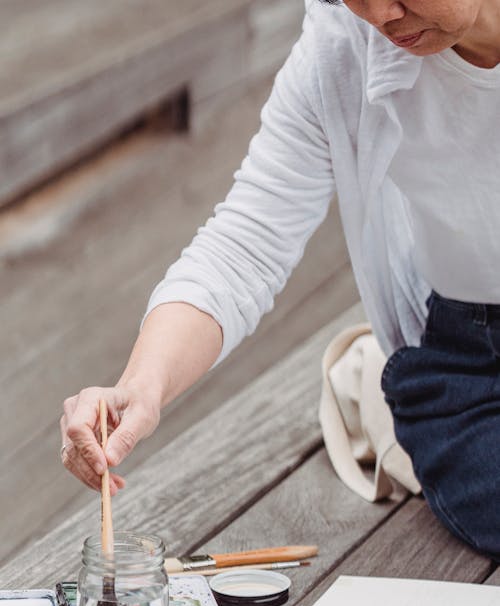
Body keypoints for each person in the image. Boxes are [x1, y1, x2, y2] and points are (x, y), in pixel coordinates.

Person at [61, 0, 500, 560]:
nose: (382, 14)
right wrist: (139, 385)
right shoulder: (343, 48)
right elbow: (245, 245)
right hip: (463, 365)